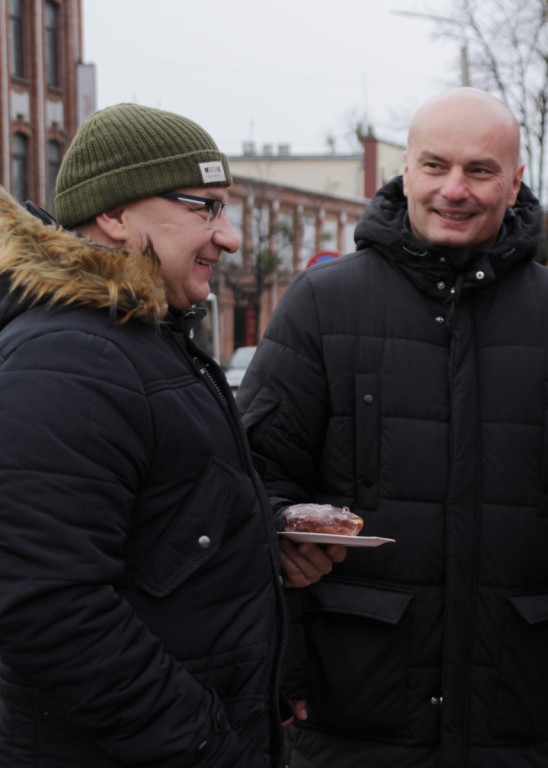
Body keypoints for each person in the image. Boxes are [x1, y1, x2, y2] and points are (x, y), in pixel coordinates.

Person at [237, 86, 548, 767]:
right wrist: (277, 659)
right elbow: (251, 482)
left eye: (480, 171)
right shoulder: (321, 304)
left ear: (515, 183)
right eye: (435, 166)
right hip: (350, 700)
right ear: (405, 171)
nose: (454, 189)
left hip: (512, 699)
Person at [0, 104, 287, 766]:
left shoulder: (142, 340)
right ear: (115, 215)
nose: (232, 237)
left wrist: (267, 534)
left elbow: (166, 538)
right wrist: (204, 746)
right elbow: (48, 609)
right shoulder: (70, 356)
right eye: (204, 208)